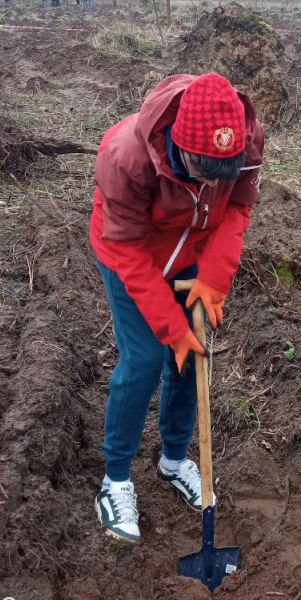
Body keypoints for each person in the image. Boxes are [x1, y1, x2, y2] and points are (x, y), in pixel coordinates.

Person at [90, 72, 264, 543]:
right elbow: (126, 249)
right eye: (203, 171)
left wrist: (213, 278)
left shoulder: (246, 142)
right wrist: (170, 326)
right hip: (130, 252)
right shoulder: (123, 156)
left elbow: (238, 209)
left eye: (221, 173)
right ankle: (116, 480)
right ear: (177, 146)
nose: (212, 182)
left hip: (190, 254)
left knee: (190, 362)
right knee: (145, 359)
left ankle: (173, 461)